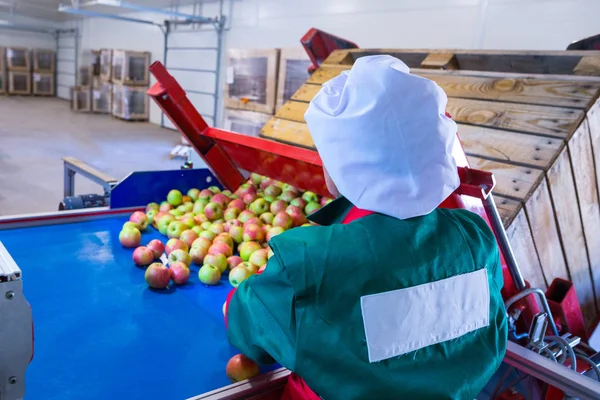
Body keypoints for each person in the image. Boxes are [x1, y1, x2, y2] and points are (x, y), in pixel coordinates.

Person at [225, 55, 507, 400]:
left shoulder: (307, 262)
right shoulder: (475, 237)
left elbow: (251, 330)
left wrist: (236, 302)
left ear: (347, 163)